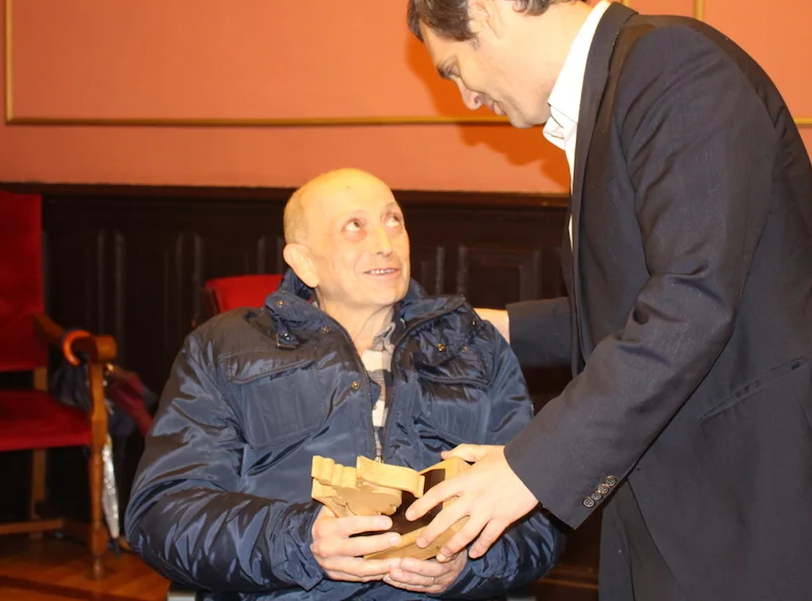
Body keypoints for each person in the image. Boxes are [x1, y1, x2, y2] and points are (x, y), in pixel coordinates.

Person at [400, 0, 812, 601]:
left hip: (762, 489)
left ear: (485, 12)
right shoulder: (619, 87)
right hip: (702, 486)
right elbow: (637, 300)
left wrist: (526, 468)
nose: (467, 97)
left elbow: (691, 301)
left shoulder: (670, 64)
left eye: (455, 69)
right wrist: (499, 327)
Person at [124, 168, 564, 600]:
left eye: (393, 221)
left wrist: (466, 566)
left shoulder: (474, 347)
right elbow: (163, 514)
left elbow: (538, 514)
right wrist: (301, 541)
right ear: (305, 263)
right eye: (355, 226)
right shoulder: (225, 348)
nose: (385, 244)